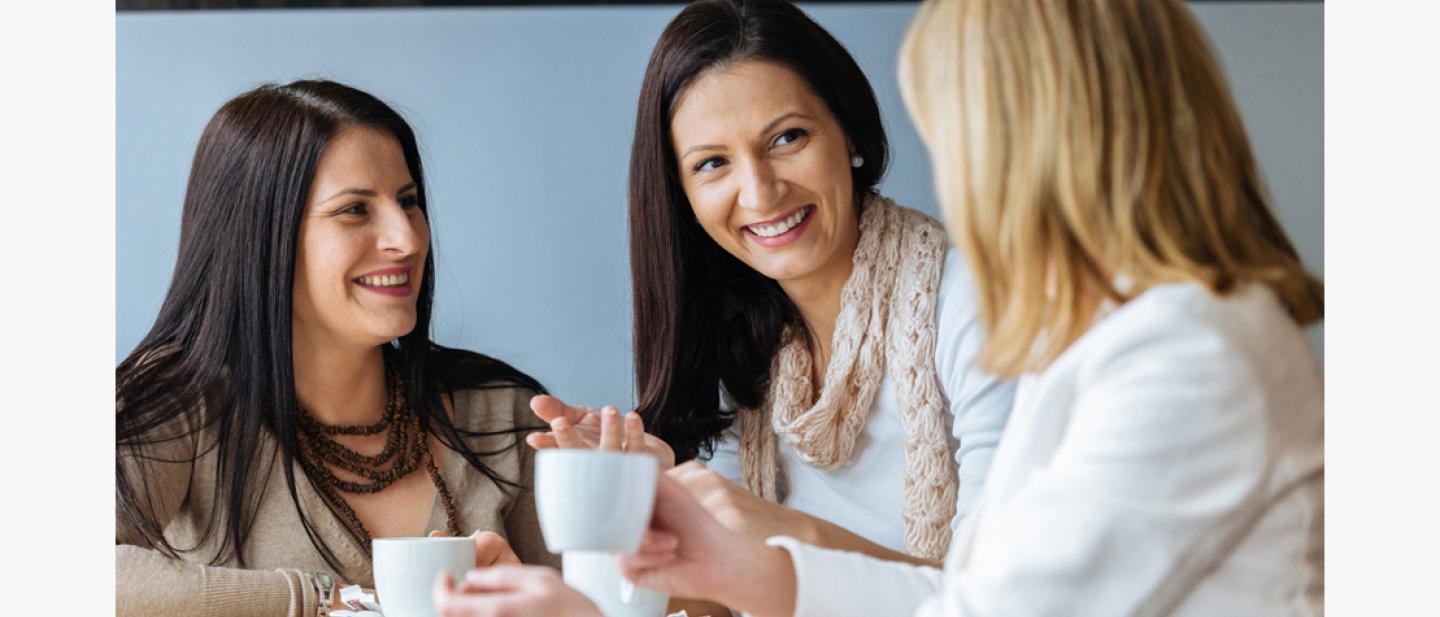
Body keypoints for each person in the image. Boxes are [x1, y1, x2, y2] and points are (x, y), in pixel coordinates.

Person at [432, 0, 1324, 615]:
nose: (955, 177)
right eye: (711, 162)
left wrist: (755, 543)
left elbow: (975, 603)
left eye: (955, 134)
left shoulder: (1181, 353)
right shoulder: (1143, 338)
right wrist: (670, 550)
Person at [527, 0, 1016, 575]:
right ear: (681, 197)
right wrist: (648, 501)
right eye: (713, 164)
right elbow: (728, 596)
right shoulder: (748, 346)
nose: (759, 194)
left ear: (850, 134)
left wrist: (768, 528)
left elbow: (996, 592)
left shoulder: (980, 304)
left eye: (787, 138)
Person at [116, 80, 557, 617]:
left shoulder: (503, 414)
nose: (408, 239)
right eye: (354, 210)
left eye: (408, 201)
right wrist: (321, 601)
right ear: (260, 234)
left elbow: (597, 606)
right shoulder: (180, 403)